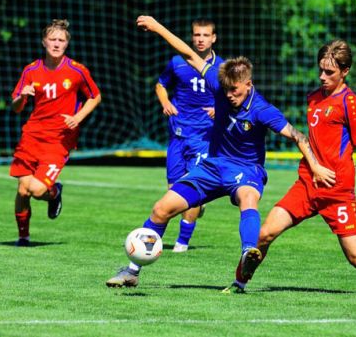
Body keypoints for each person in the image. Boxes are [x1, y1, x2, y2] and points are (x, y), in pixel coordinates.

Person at [105, 16, 335, 287]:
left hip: (247, 169)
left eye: (234, 91)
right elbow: (188, 53)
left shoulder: (262, 110)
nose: (228, 96)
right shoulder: (220, 83)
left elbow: (297, 136)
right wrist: (157, 27)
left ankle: (249, 251)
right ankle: (131, 272)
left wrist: (316, 166)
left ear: (248, 84)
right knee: (161, 209)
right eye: (225, 90)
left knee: (248, 200)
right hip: (213, 167)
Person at [225, 40, 356, 294]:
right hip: (307, 185)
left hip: (337, 193)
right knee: (263, 234)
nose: (322, 76)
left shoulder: (351, 104)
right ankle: (239, 283)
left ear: (345, 71)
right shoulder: (314, 98)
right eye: (321, 70)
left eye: (329, 72)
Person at [10, 19, 101, 246]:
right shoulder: (31, 70)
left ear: (66, 44)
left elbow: (95, 96)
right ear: (44, 42)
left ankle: (54, 193)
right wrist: (23, 96)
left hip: (58, 139)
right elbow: (16, 107)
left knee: (38, 189)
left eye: (61, 40)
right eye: (52, 39)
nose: (57, 44)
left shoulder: (77, 70)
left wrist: (77, 118)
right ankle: (23, 237)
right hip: (31, 135)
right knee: (23, 190)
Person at [156, 18, 224, 253]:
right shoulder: (177, 62)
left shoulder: (222, 68)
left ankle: (182, 242)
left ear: (214, 38)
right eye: (197, 35)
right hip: (177, 135)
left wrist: (220, 108)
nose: (201, 39)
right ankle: (198, 206)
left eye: (206, 35)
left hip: (204, 137)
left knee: (192, 186)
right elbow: (160, 85)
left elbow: (235, 96)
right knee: (173, 191)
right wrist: (165, 102)